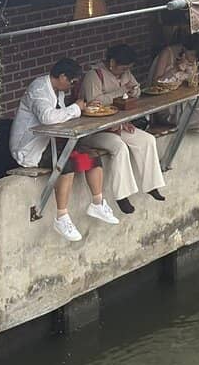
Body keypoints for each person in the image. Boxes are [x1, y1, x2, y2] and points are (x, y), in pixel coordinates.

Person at [10, 58, 119, 241]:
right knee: (66, 164)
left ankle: (98, 203)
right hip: (30, 149)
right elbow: (48, 117)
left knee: (91, 155)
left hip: (50, 142)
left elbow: (63, 115)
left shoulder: (57, 90)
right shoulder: (39, 90)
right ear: (62, 77)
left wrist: (82, 109)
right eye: (71, 81)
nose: (71, 86)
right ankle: (61, 217)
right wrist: (76, 108)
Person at [79, 44, 167, 214]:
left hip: (119, 124)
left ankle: (152, 185)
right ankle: (122, 195)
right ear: (112, 62)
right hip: (94, 130)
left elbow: (136, 90)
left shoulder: (125, 73)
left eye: (128, 68)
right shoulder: (94, 76)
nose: (125, 71)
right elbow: (94, 103)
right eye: (122, 67)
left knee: (146, 139)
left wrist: (134, 91)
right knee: (119, 146)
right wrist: (120, 92)